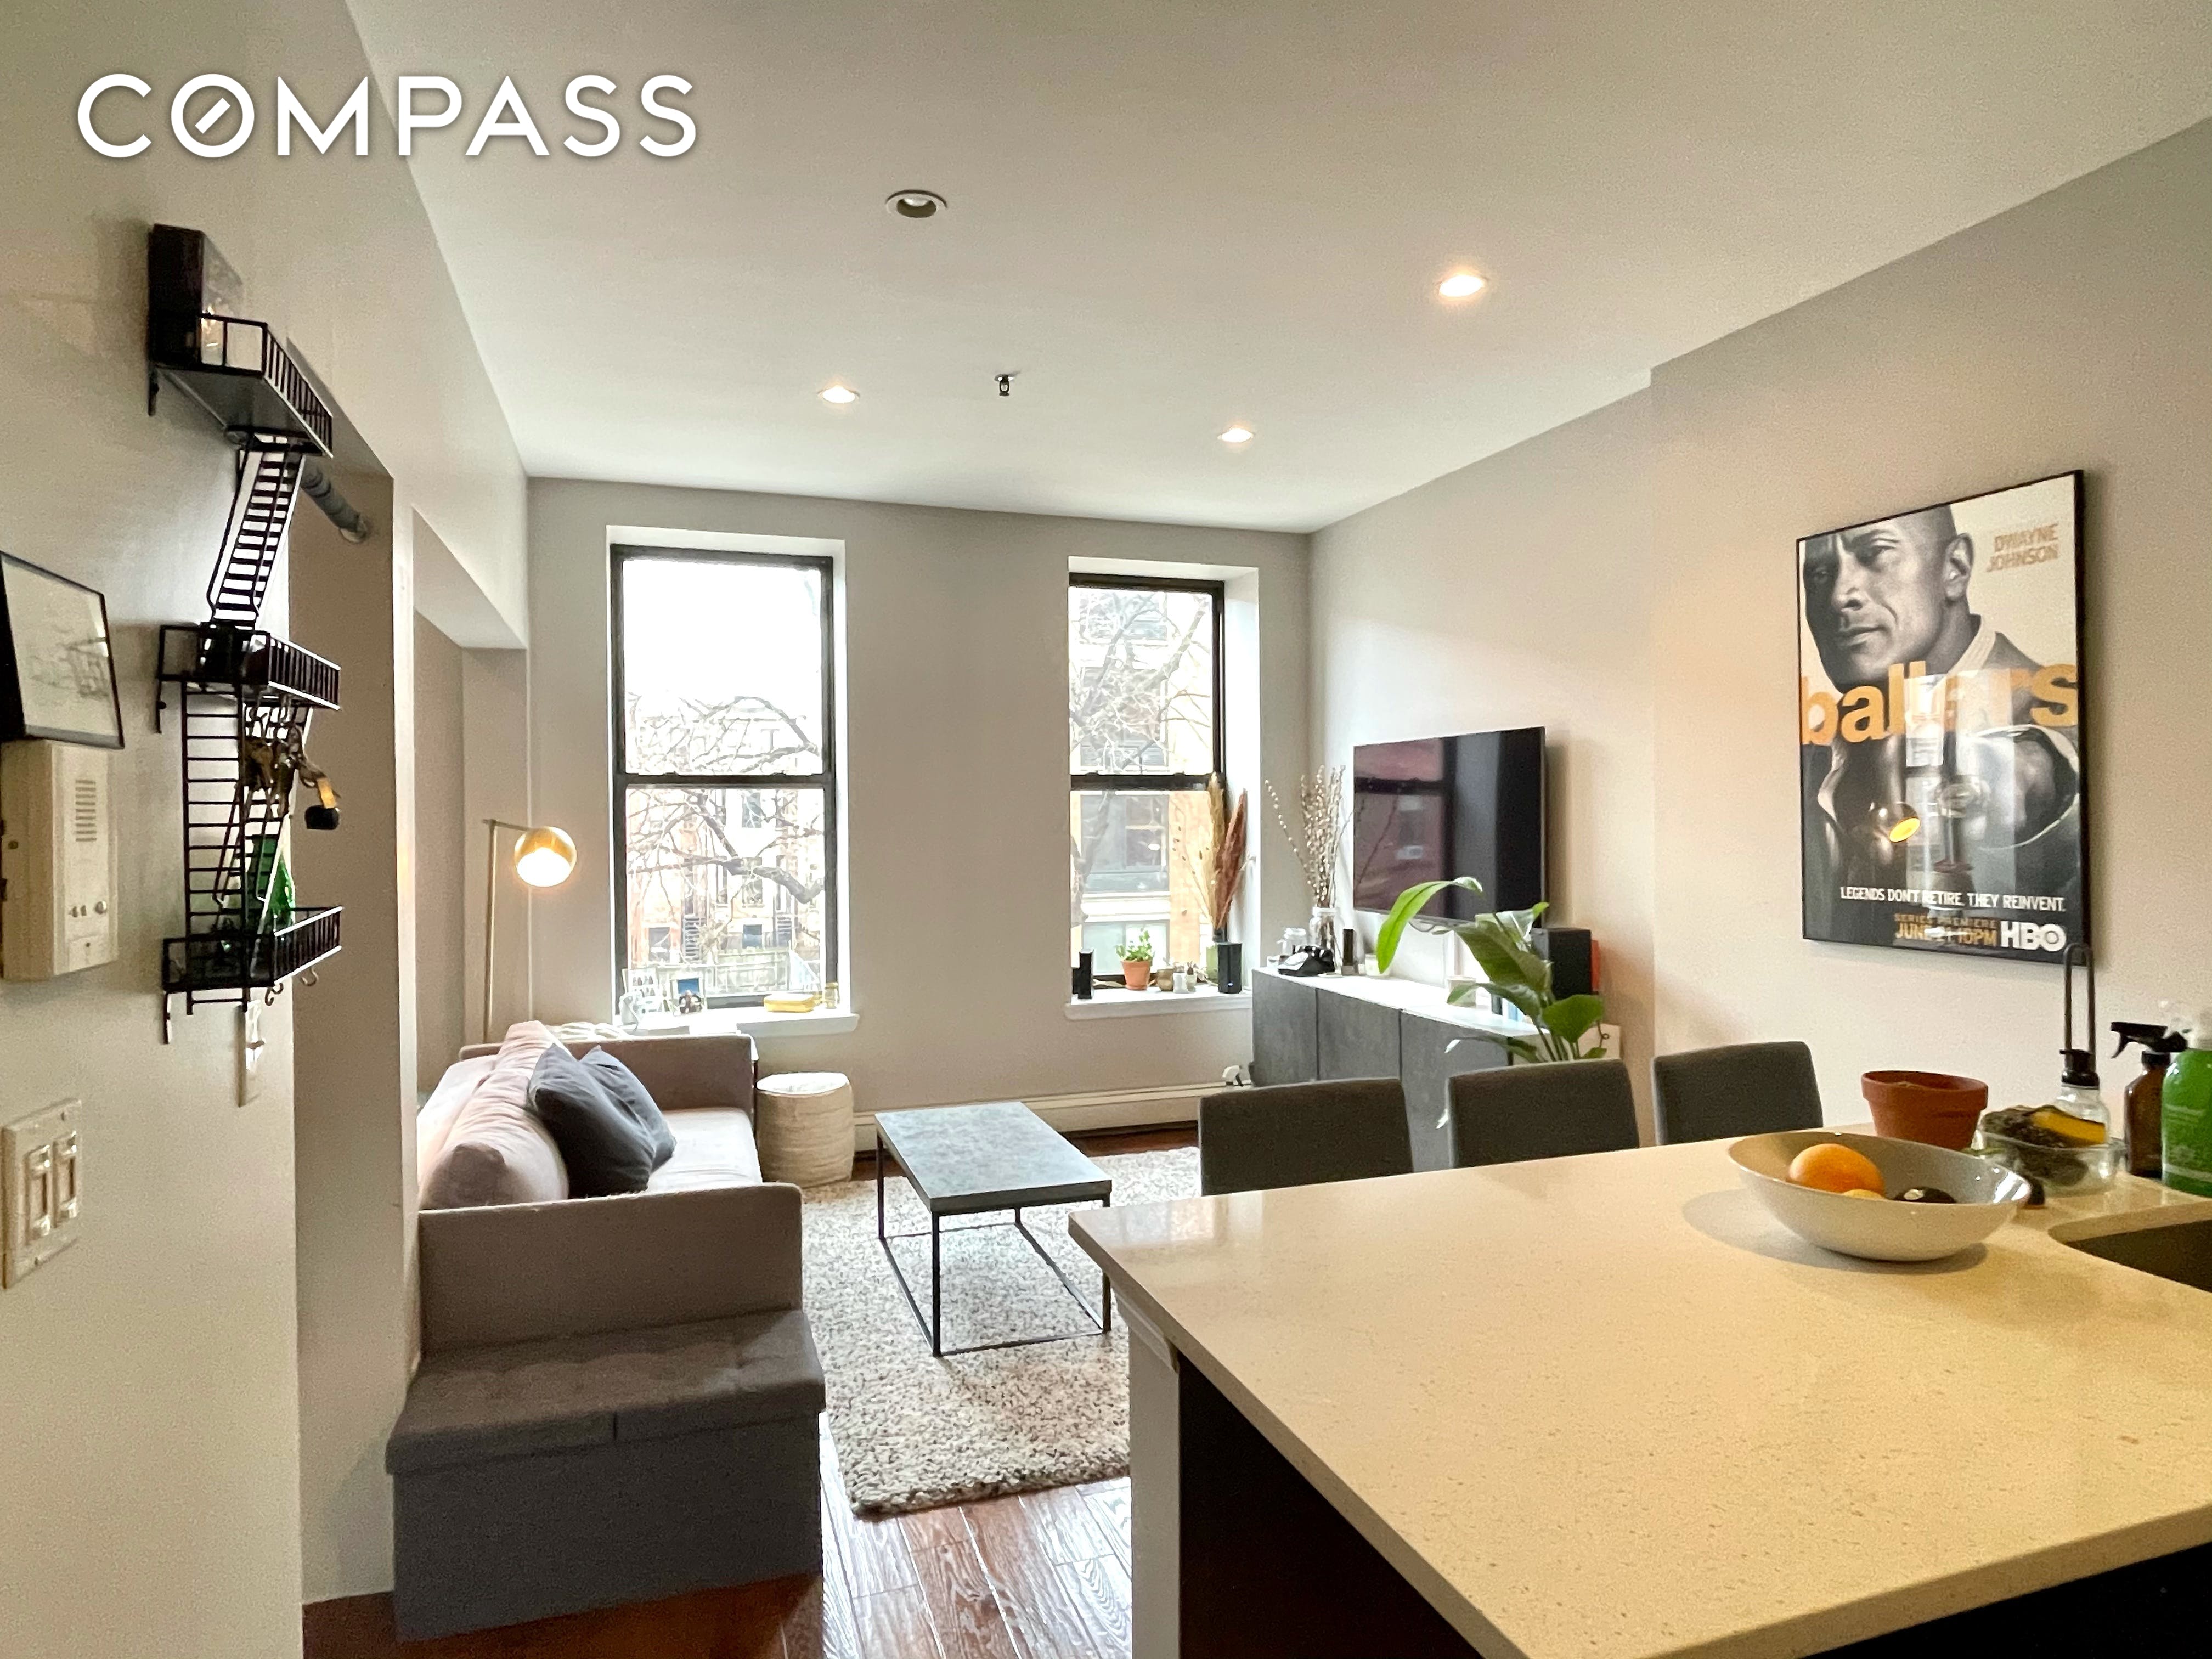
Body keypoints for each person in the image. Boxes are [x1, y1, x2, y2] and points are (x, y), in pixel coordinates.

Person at [1799, 502, 2079, 951]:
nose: (1838, 596)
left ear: (1955, 568)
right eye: (1818, 574)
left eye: (1875, 554)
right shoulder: (1817, 741)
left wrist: (2044, 777)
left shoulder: (2057, 719)